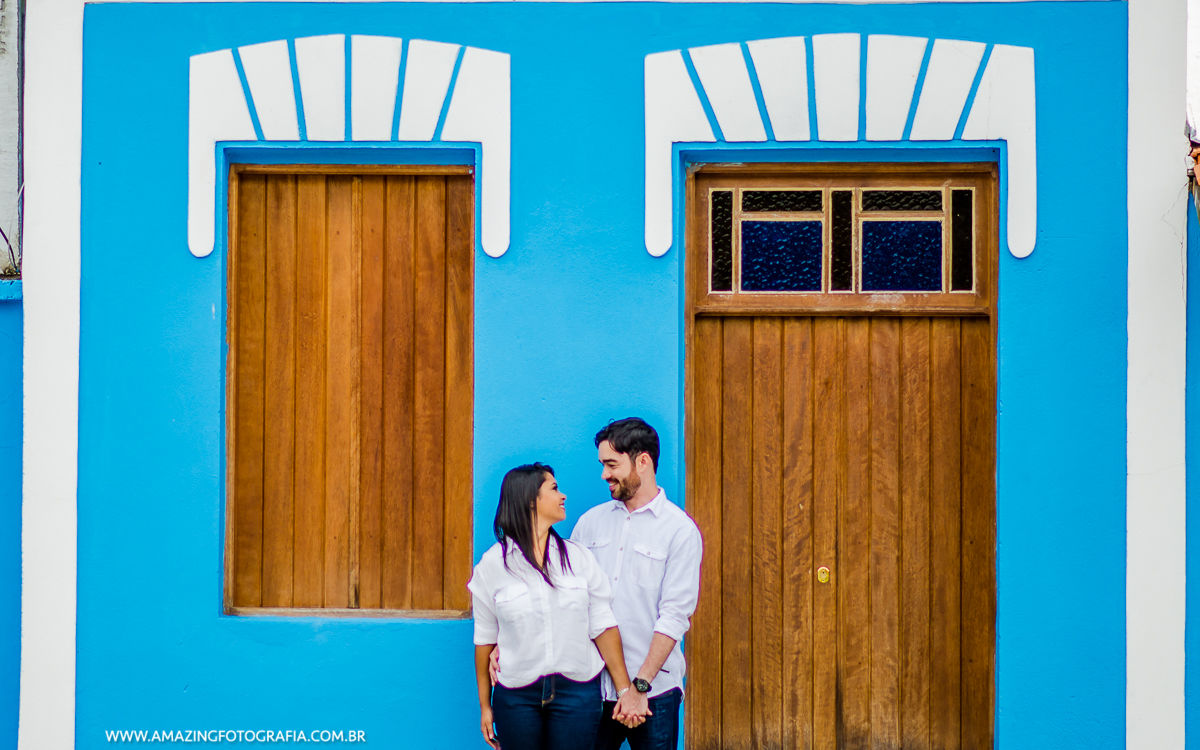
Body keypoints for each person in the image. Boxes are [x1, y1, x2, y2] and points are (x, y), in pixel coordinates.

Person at [469, 463, 648, 750]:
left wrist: (625, 689)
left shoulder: (578, 558)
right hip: (516, 696)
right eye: (554, 489)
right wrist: (485, 706)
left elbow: (602, 625)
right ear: (530, 500)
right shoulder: (493, 565)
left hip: (576, 694)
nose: (563, 496)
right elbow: (484, 641)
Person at [571, 418, 703, 750]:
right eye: (603, 465)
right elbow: (567, 596)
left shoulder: (680, 531)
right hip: (594, 687)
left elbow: (674, 616)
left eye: (612, 464)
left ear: (642, 461)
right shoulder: (590, 523)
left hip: (654, 693)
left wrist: (638, 688)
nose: (604, 475)